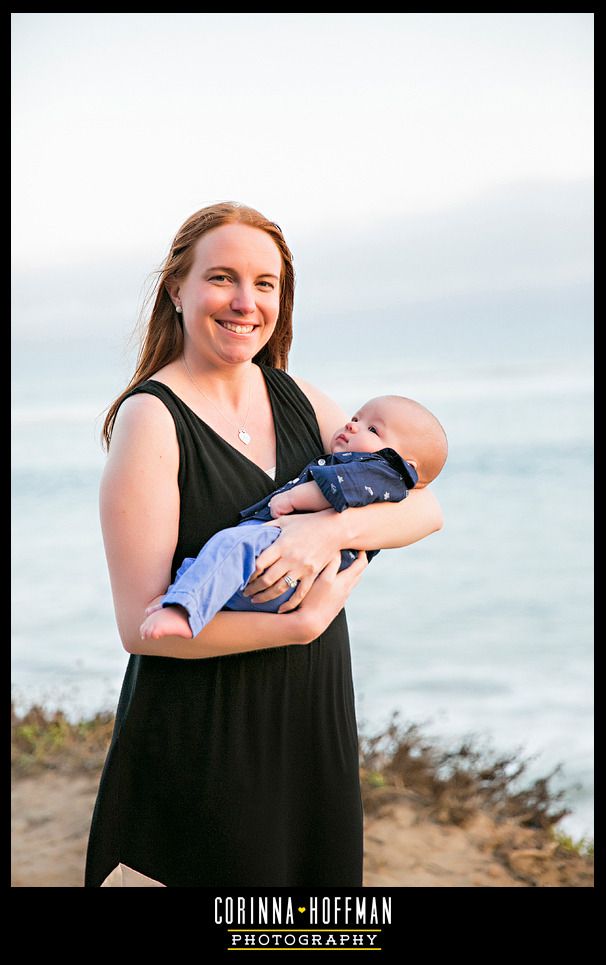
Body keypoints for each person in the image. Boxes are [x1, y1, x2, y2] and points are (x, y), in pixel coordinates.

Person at [84, 201, 444, 888]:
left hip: (312, 734)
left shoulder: (301, 399)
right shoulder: (151, 419)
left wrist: (328, 528)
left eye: (266, 283)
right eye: (222, 278)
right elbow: (142, 627)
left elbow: (425, 505)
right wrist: (302, 624)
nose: (245, 302)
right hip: (205, 743)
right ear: (176, 288)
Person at [139, 394, 447, 641]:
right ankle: (188, 595)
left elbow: (338, 488)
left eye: (373, 429)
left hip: (286, 562)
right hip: (295, 587)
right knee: (220, 557)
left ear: (406, 466)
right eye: (356, 418)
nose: (353, 425)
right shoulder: (379, 475)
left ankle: (184, 607)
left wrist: (293, 499)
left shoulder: (381, 471)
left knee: (232, 544)